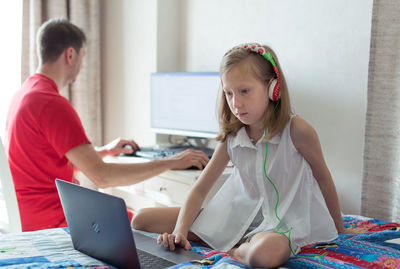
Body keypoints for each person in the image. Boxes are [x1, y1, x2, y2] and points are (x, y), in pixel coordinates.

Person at [131, 43, 347, 268]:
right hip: (235, 218)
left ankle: (235, 248)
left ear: (273, 88)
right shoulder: (233, 136)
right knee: (141, 219)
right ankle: (233, 241)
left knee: (263, 255)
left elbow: (323, 178)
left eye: (244, 91)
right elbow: (200, 190)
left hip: (283, 225)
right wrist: (180, 231)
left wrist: (340, 228)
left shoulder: (297, 130)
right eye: (229, 93)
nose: (235, 103)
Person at [4, 18, 209, 232]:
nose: (82, 66)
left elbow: (46, 162)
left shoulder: (25, 93)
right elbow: (102, 177)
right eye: (82, 57)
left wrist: (103, 152)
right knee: (150, 220)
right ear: (70, 54)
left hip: (29, 215)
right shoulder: (51, 103)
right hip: (56, 220)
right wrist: (169, 162)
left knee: (136, 213)